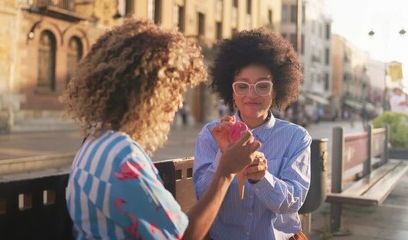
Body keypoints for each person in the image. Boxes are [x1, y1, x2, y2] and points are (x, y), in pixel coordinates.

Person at [60, 19, 261, 240]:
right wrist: (225, 172)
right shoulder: (123, 157)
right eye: (173, 90)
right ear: (146, 90)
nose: (178, 104)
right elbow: (184, 236)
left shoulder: (96, 141)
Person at [193, 28, 312, 240]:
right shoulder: (210, 134)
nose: (251, 94)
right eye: (242, 85)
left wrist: (262, 178)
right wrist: (225, 155)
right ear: (232, 91)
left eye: (262, 86)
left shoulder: (297, 137)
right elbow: (202, 195)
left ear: (276, 90)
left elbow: (294, 201)